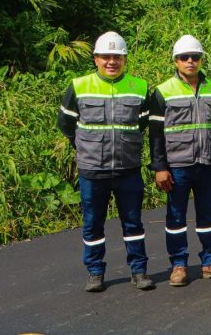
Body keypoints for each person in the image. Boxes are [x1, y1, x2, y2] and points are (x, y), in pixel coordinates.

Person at [57, 31, 153, 293]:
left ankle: (139, 270)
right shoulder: (79, 86)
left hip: (128, 168)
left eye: (117, 57)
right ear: (96, 59)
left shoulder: (140, 87)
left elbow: (143, 123)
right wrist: (85, 146)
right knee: (93, 223)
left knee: (133, 224)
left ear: (125, 59)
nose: (112, 61)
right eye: (106, 57)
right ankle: (95, 272)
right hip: (92, 170)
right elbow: (66, 123)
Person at [149, 35, 211, 286]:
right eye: (184, 57)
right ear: (175, 61)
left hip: (208, 164)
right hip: (177, 166)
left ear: (201, 60)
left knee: (207, 216)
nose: (190, 61)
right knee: (176, 219)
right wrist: (160, 167)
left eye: (195, 57)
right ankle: (178, 265)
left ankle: (210, 262)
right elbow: (155, 135)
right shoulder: (164, 91)